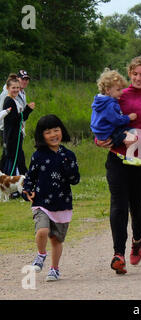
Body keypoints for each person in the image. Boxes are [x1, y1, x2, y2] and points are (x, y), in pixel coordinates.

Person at [96, 54, 141, 274]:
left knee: (136, 205)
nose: (138, 78)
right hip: (117, 157)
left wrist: (135, 137)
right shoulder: (117, 94)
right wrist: (99, 138)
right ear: (129, 73)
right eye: (134, 74)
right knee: (118, 204)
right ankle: (118, 254)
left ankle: (137, 239)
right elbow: (100, 119)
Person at [22, 114, 80, 281]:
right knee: (42, 230)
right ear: (41, 135)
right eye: (48, 132)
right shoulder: (38, 155)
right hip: (42, 201)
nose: (53, 135)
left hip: (62, 202)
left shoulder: (69, 155)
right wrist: (27, 190)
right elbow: (30, 176)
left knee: (56, 239)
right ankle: (41, 255)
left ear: (62, 131)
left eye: (56, 130)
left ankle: (54, 269)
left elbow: (75, 180)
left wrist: (68, 167)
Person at [90, 68, 141, 165]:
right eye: (118, 90)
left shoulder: (99, 101)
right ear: (108, 90)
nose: (121, 92)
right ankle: (129, 157)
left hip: (101, 132)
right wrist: (129, 118)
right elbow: (116, 120)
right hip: (108, 132)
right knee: (131, 133)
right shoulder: (110, 105)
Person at [0, 74, 35, 177]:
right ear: (8, 88)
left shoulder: (14, 100)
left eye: (17, 88)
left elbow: (19, 118)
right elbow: (15, 119)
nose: (16, 90)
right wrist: (28, 109)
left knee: (15, 159)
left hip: (16, 134)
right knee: (14, 161)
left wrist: (26, 112)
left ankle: (21, 183)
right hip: (12, 136)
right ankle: (13, 184)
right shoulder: (9, 101)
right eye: (13, 88)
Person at [0, 70, 33, 142]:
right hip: (8, 130)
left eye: (27, 79)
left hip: (18, 128)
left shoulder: (21, 91)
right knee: (10, 152)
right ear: (17, 79)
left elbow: (18, 110)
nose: (25, 81)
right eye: (22, 79)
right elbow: (3, 111)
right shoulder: (7, 93)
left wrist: (26, 108)